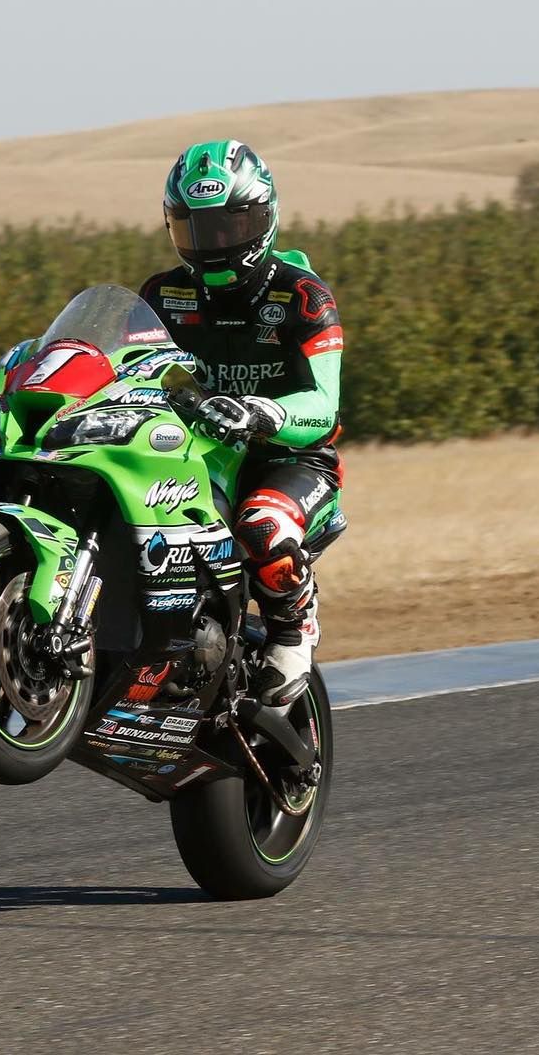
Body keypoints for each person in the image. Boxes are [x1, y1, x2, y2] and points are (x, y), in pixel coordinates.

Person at [139, 140, 346, 707]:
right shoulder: (163, 295)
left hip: (292, 461)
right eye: (197, 231)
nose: (214, 245)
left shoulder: (304, 298)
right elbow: (128, 369)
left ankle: (293, 625)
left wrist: (265, 411)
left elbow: (325, 403)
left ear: (264, 216)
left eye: (230, 227)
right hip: (201, 454)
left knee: (261, 526)